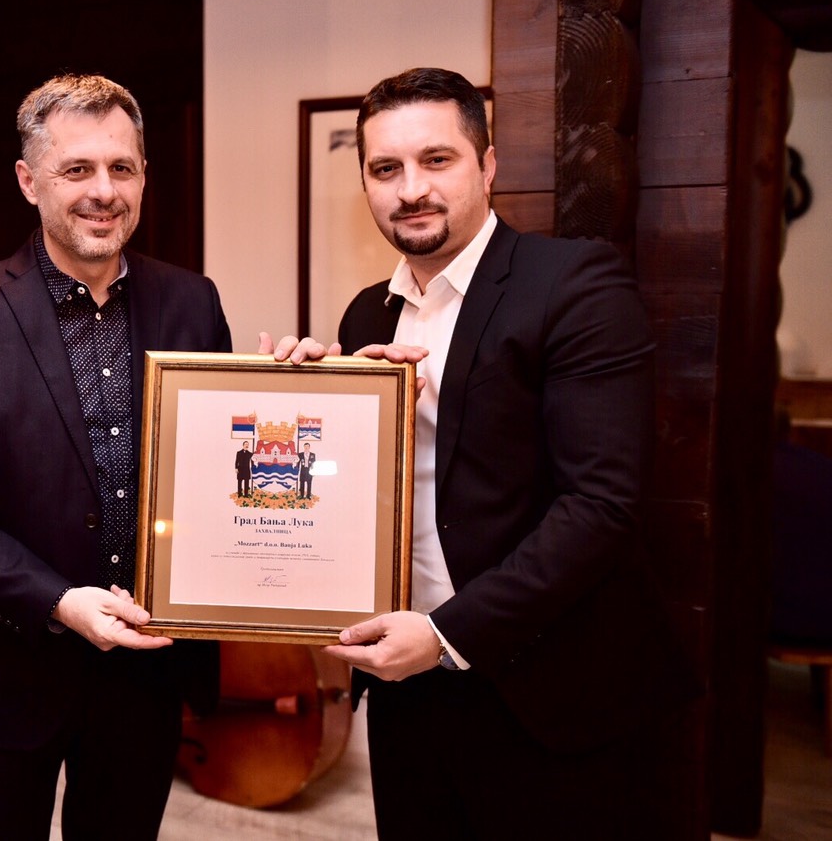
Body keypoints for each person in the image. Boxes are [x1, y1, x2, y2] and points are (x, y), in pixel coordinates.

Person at [265, 67, 695, 839]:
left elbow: (600, 507)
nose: (411, 189)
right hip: (410, 693)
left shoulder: (575, 286)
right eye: (385, 169)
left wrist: (446, 635)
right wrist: (308, 410)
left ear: (488, 164)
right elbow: (367, 496)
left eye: (437, 160)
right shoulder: (368, 314)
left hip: (555, 694)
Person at [0, 73, 232, 840]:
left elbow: (218, 465)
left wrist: (295, 397)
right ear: (29, 181)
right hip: (4, 669)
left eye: (121, 168)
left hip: (145, 673)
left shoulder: (193, 301)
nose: (103, 191)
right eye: (77, 169)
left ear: (144, 176)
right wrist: (57, 600)